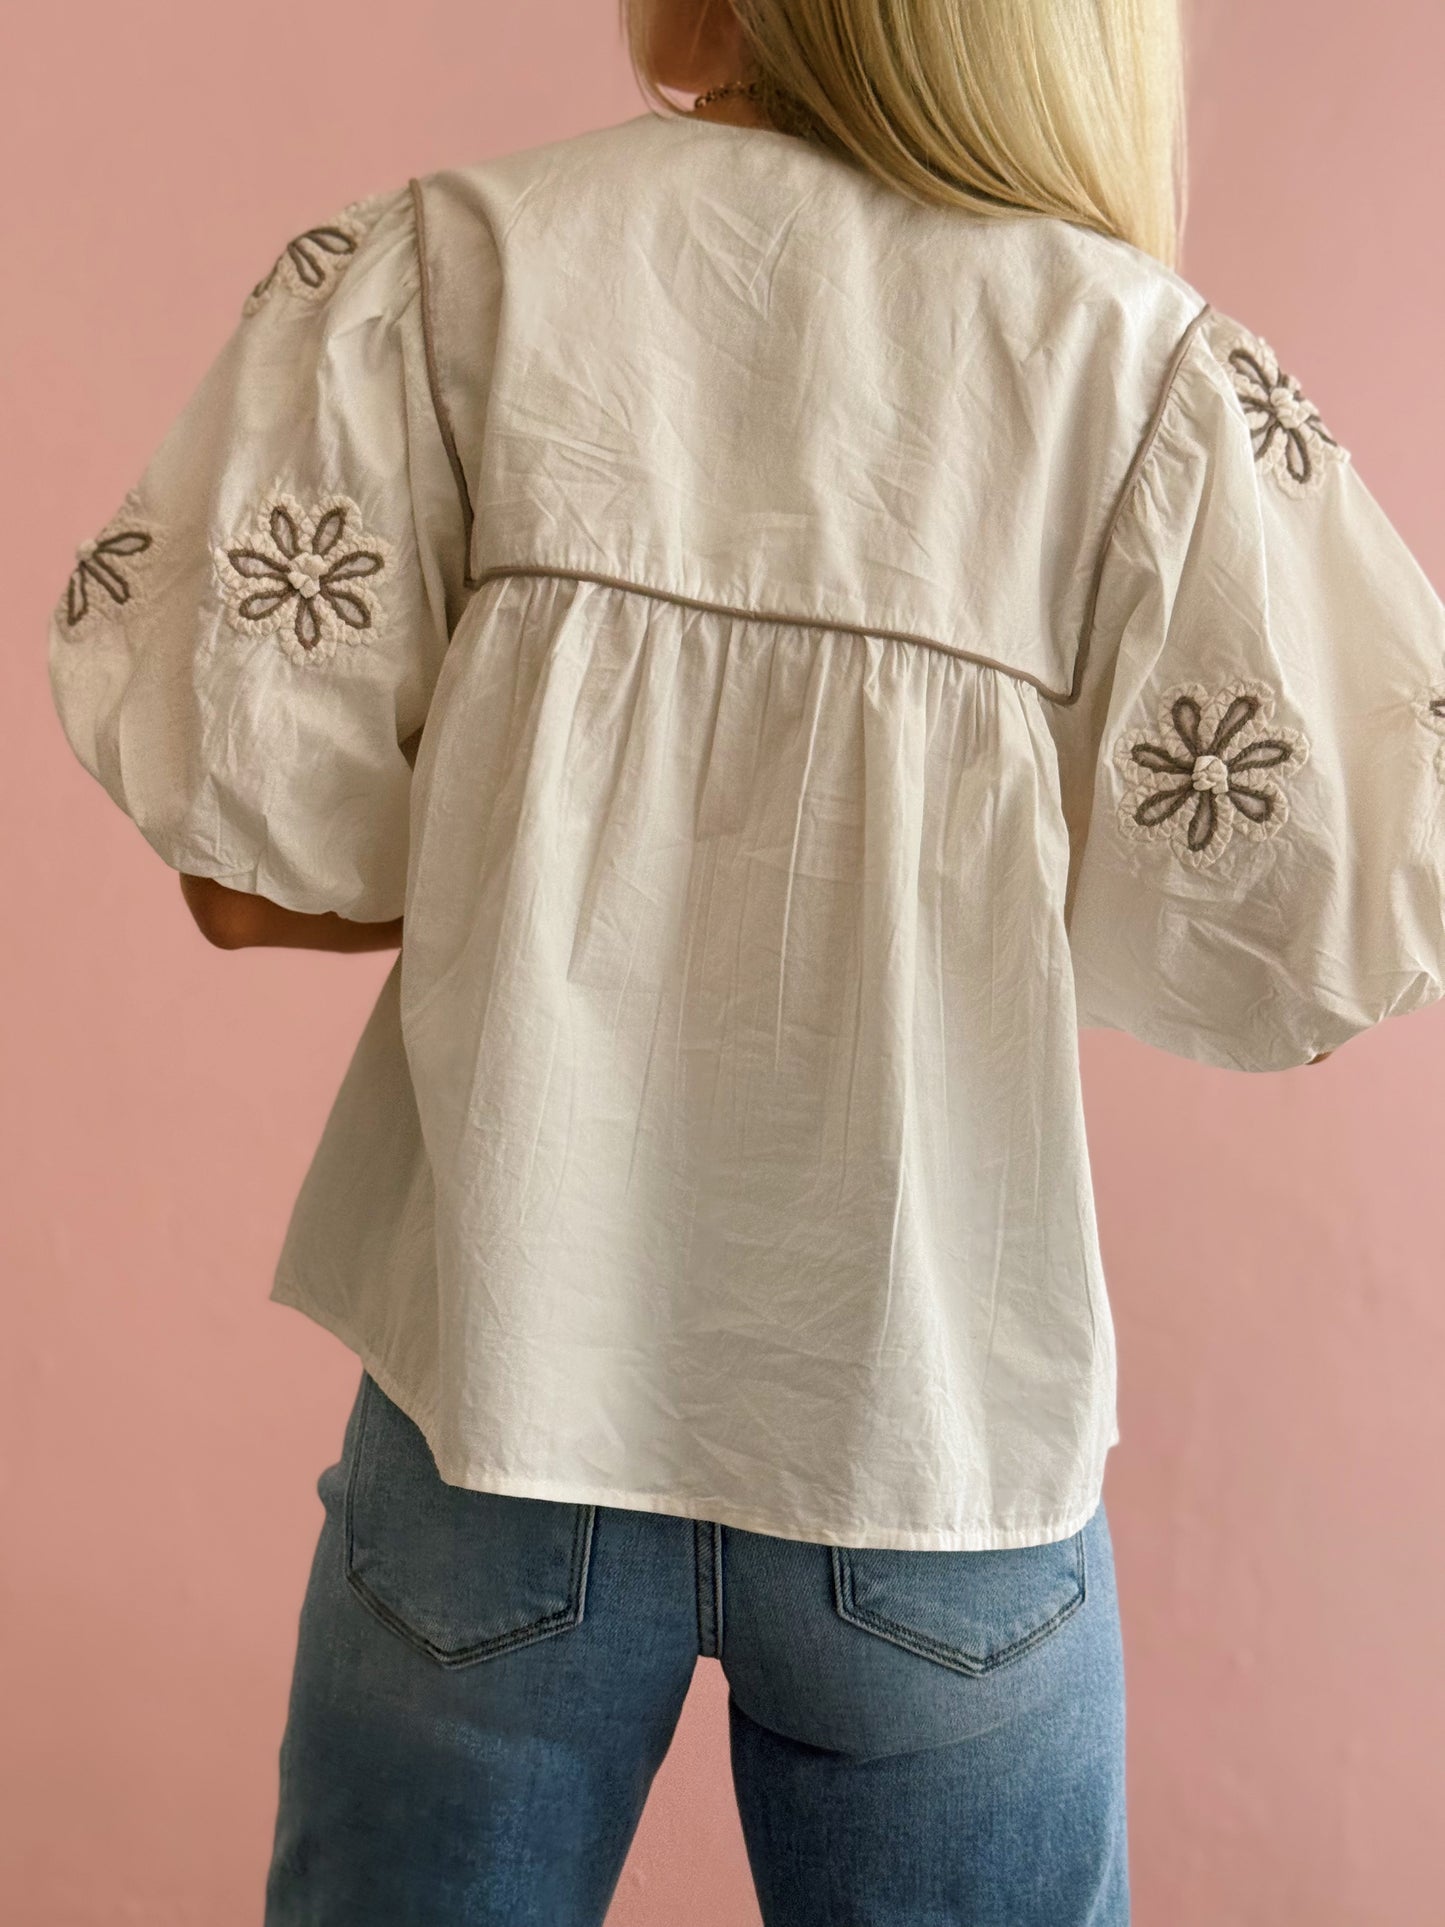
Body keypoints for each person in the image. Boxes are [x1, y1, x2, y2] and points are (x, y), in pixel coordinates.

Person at [44, 1, 1445, 1921]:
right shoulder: (1139, 376)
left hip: (505, 1401)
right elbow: (1305, 945)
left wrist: (550, 869)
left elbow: (241, 865)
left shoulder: (455, 271)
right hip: (928, 1437)